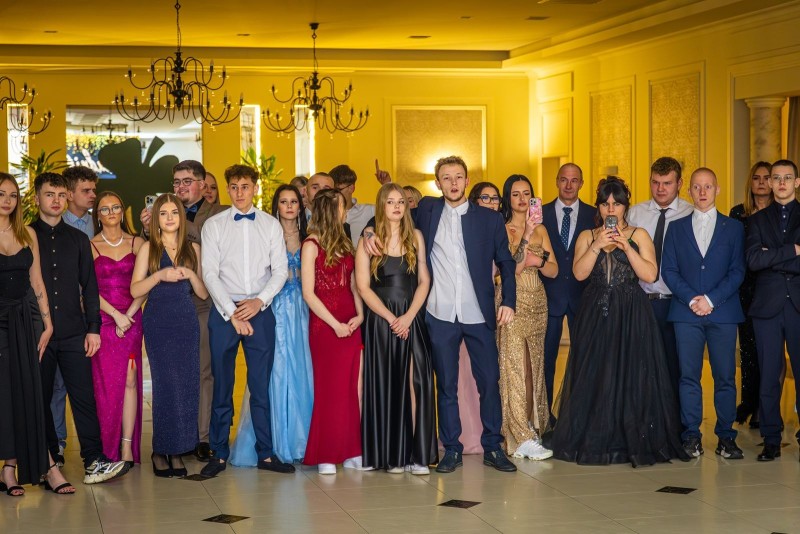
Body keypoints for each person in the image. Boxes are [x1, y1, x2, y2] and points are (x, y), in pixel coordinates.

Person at [363, 156, 518, 474]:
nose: (453, 183)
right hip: (440, 313)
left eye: (458, 177)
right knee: (446, 385)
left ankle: (492, 446)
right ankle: (452, 449)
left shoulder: (489, 219)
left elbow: (506, 262)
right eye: (446, 178)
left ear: (467, 181)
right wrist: (367, 232)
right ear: (437, 183)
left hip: (478, 313)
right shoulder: (427, 210)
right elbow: (390, 213)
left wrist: (509, 301)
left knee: (489, 382)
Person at [550, 176, 688, 467]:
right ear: (598, 207)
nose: (610, 209)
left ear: (625, 206)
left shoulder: (639, 235)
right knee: (597, 372)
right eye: (605, 204)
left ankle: (630, 437)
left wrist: (627, 247)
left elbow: (650, 275)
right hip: (596, 310)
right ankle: (597, 436)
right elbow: (579, 274)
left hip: (631, 310)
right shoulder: (588, 236)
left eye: (616, 203)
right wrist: (597, 245)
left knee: (631, 371)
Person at [31, 172, 129, 484]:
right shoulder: (25, 237)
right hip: (38, 334)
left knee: (84, 398)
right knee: (41, 399)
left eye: (61, 195)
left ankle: (94, 461)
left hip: (75, 331)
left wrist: (93, 328)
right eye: (50, 194)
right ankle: (48, 464)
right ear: (36, 198)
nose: (56, 200)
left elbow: (90, 286)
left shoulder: (78, 239)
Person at [200, 165, 293, 477]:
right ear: (228, 189)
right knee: (222, 385)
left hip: (260, 311)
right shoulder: (213, 226)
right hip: (224, 312)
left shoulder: (270, 225)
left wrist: (258, 301)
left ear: (255, 188)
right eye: (234, 187)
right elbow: (209, 273)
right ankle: (218, 453)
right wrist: (232, 312)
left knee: (261, 386)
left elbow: (280, 270)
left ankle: (266, 454)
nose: (239, 192)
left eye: (245, 186)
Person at [140, 160, 225, 463]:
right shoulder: (163, 216)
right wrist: (149, 227)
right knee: (171, 376)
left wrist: (170, 219)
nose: (180, 187)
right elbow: (150, 259)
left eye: (187, 181)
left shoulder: (218, 213)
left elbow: (203, 250)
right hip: (166, 304)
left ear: (202, 184)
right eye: (176, 182)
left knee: (201, 372)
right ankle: (177, 436)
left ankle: (201, 437)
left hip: (202, 303)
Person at [662, 168, 746, 459]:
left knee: (725, 377)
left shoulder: (734, 228)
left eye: (708, 186)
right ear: (689, 191)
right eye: (697, 187)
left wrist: (710, 300)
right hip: (686, 314)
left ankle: (726, 437)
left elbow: (738, 271)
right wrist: (691, 300)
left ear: (717, 189)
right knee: (688, 377)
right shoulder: (676, 228)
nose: (702, 192)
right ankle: (691, 436)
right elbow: (669, 270)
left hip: (723, 313)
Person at [0, 173, 74, 495]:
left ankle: (46, 465)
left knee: (30, 392)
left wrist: (48, 323)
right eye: (1, 194)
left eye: (12, 195)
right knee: (6, 396)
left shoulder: (26, 233)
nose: (7, 201)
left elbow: (37, 281)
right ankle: (10, 467)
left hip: (26, 318)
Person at [356, 183, 437, 474]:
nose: (396, 206)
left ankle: (417, 456)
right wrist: (392, 319)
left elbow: (424, 281)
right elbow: (363, 288)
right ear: (381, 205)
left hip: (411, 318)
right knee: (386, 384)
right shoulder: (369, 240)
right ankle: (391, 456)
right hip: (381, 320)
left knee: (416, 382)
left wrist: (408, 317)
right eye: (390, 202)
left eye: (401, 201)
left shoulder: (416, 236)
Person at [229, 184, 313, 466]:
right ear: (276, 205)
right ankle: (271, 442)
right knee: (272, 372)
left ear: (300, 206)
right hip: (272, 306)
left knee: (302, 370)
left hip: (302, 310)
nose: (289, 206)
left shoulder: (310, 237)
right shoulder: (265, 233)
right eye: (284, 201)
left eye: (294, 202)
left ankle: (302, 441)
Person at [131, 193, 207, 477]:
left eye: (174, 212)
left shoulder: (193, 249)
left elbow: (203, 293)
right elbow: (135, 289)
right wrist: (159, 276)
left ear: (181, 216)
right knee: (165, 386)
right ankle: (159, 449)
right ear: (156, 219)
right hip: (159, 322)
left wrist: (191, 274)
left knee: (186, 386)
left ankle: (178, 450)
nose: (169, 218)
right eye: (163, 213)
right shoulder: (148, 248)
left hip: (186, 321)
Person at [302, 188, 364, 475]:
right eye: (343, 207)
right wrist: (334, 324)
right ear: (331, 210)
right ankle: (326, 453)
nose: (346, 211)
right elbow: (308, 293)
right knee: (329, 390)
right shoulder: (311, 244)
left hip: (350, 322)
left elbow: (353, 284)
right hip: (325, 326)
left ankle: (352, 450)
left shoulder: (346, 243)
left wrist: (360, 315)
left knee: (352, 389)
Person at [497, 175, 558, 460]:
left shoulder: (542, 229)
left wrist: (540, 260)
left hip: (538, 303)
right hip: (513, 302)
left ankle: (531, 427)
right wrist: (526, 236)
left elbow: (554, 270)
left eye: (527, 194)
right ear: (508, 198)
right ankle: (518, 434)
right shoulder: (502, 228)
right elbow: (510, 270)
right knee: (515, 367)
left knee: (534, 367)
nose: (522, 199)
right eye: (516, 194)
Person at [745, 159, 800, 461]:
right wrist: (792, 251)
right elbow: (754, 261)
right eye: (776, 178)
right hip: (767, 306)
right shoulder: (757, 220)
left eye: (786, 178)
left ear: (796, 182)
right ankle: (771, 438)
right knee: (768, 374)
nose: (780, 183)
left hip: (798, 305)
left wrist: (772, 257)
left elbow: (765, 260)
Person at [628, 157, 693, 393]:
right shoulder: (635, 213)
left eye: (667, 183)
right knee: (641, 366)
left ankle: (674, 415)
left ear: (680, 183)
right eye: (655, 182)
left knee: (675, 366)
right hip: (642, 301)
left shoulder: (691, 213)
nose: (660, 189)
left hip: (677, 302)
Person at [89, 192, 145, 467]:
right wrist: (115, 315)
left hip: (132, 319)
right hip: (103, 319)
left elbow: (145, 285)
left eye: (115, 207)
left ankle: (126, 446)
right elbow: (87, 289)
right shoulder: (90, 245)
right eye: (104, 209)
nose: (111, 212)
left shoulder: (138, 243)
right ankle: (106, 445)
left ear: (123, 211)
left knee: (130, 379)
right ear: (97, 215)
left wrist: (128, 316)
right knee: (106, 384)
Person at [540, 164, 596, 413]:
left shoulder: (594, 215)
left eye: (574, 180)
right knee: (545, 362)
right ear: (557, 181)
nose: (569, 185)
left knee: (583, 361)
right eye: (564, 180)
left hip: (582, 297)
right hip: (548, 297)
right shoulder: (539, 214)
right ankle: (545, 418)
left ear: (581, 183)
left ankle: (577, 416)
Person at [55, 165, 98, 461]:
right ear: (69, 194)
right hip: (65, 315)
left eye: (94, 189)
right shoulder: (52, 227)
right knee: (58, 385)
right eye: (86, 190)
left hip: (96, 313)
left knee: (90, 385)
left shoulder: (101, 222)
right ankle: (57, 442)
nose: (93, 195)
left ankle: (97, 445)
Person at [729, 161, 772, 428]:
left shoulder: (781, 213)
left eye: (767, 178)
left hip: (772, 286)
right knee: (748, 351)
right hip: (744, 288)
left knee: (769, 352)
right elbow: (734, 250)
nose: (761, 182)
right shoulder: (738, 213)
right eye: (756, 178)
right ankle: (748, 403)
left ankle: (765, 408)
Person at [331, 164, 376, 245]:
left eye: (338, 190)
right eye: (331, 191)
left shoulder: (370, 211)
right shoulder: (326, 214)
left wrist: (387, 184)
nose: (334, 194)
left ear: (351, 188)